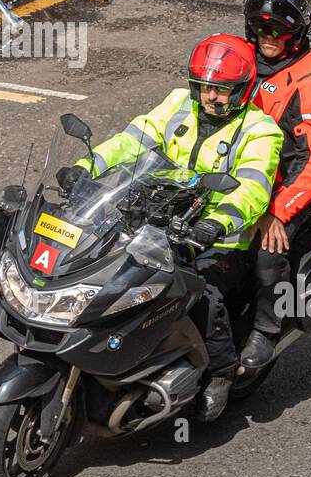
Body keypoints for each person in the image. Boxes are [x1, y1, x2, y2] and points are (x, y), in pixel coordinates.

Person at [76, 34, 282, 422]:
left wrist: (216, 224)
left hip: (216, 239)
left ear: (242, 89)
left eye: (221, 90)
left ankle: (221, 371)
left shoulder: (260, 130)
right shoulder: (177, 104)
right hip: (157, 218)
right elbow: (132, 140)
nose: (210, 97)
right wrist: (87, 168)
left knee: (200, 294)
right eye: (205, 87)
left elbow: (254, 190)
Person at [242, 0, 311, 369]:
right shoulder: (240, 58)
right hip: (234, 173)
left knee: (268, 256)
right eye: (262, 28)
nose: (269, 37)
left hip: (281, 186)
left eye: (279, 31)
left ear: (296, 33)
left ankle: (266, 330)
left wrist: (278, 212)